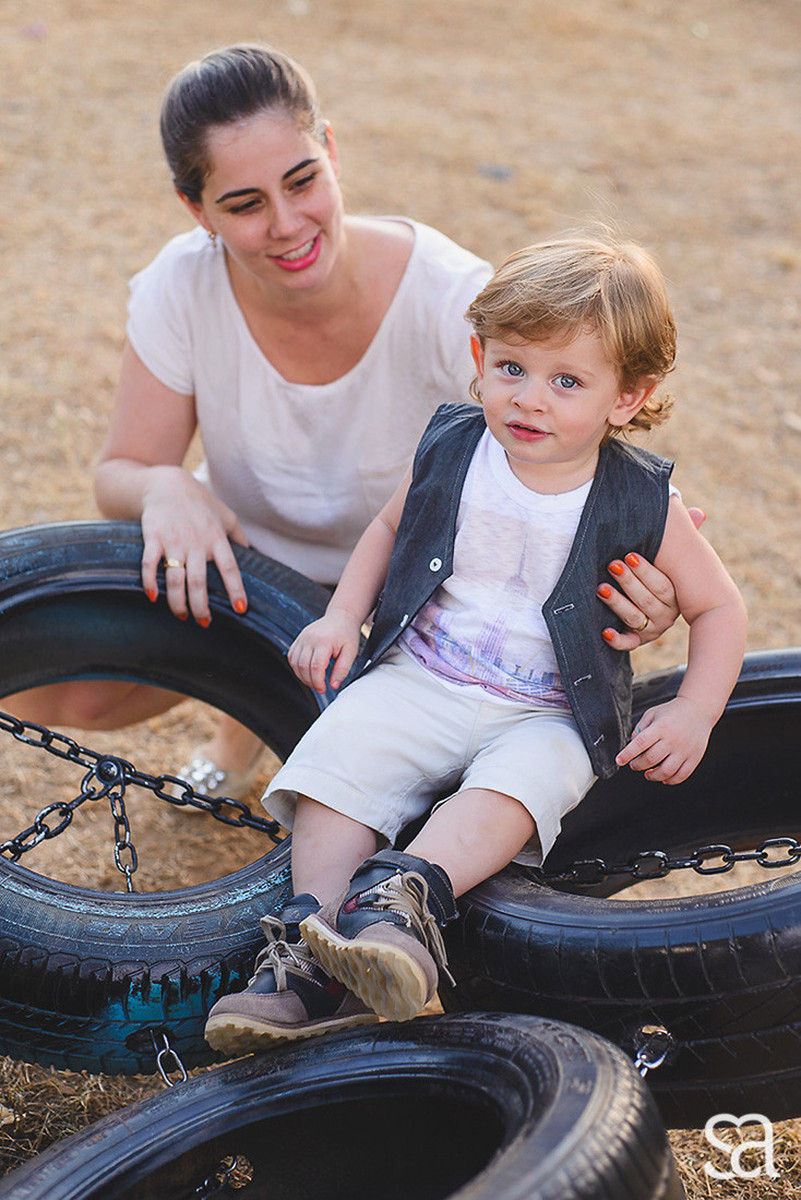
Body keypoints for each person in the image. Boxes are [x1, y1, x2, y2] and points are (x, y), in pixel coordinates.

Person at [7, 44, 690, 796]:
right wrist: (164, 486)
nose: (287, 223)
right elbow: (121, 471)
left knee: (424, 793)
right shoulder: (182, 285)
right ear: (195, 209)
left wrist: (645, 578)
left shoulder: (449, 296)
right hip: (247, 562)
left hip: (418, 593)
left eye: (302, 181)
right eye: (244, 204)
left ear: (330, 151)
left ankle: (268, 729)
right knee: (79, 694)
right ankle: (243, 722)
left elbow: (576, 446)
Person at [204, 235, 747, 1054]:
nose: (529, 399)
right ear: (478, 358)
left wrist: (694, 712)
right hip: (422, 674)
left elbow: (720, 608)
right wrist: (341, 617)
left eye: (566, 381)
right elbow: (387, 528)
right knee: (338, 768)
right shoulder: (454, 445)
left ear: (627, 398)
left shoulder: (641, 498)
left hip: (548, 709)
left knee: (517, 788)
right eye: (511, 368)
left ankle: (399, 903)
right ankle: (307, 951)